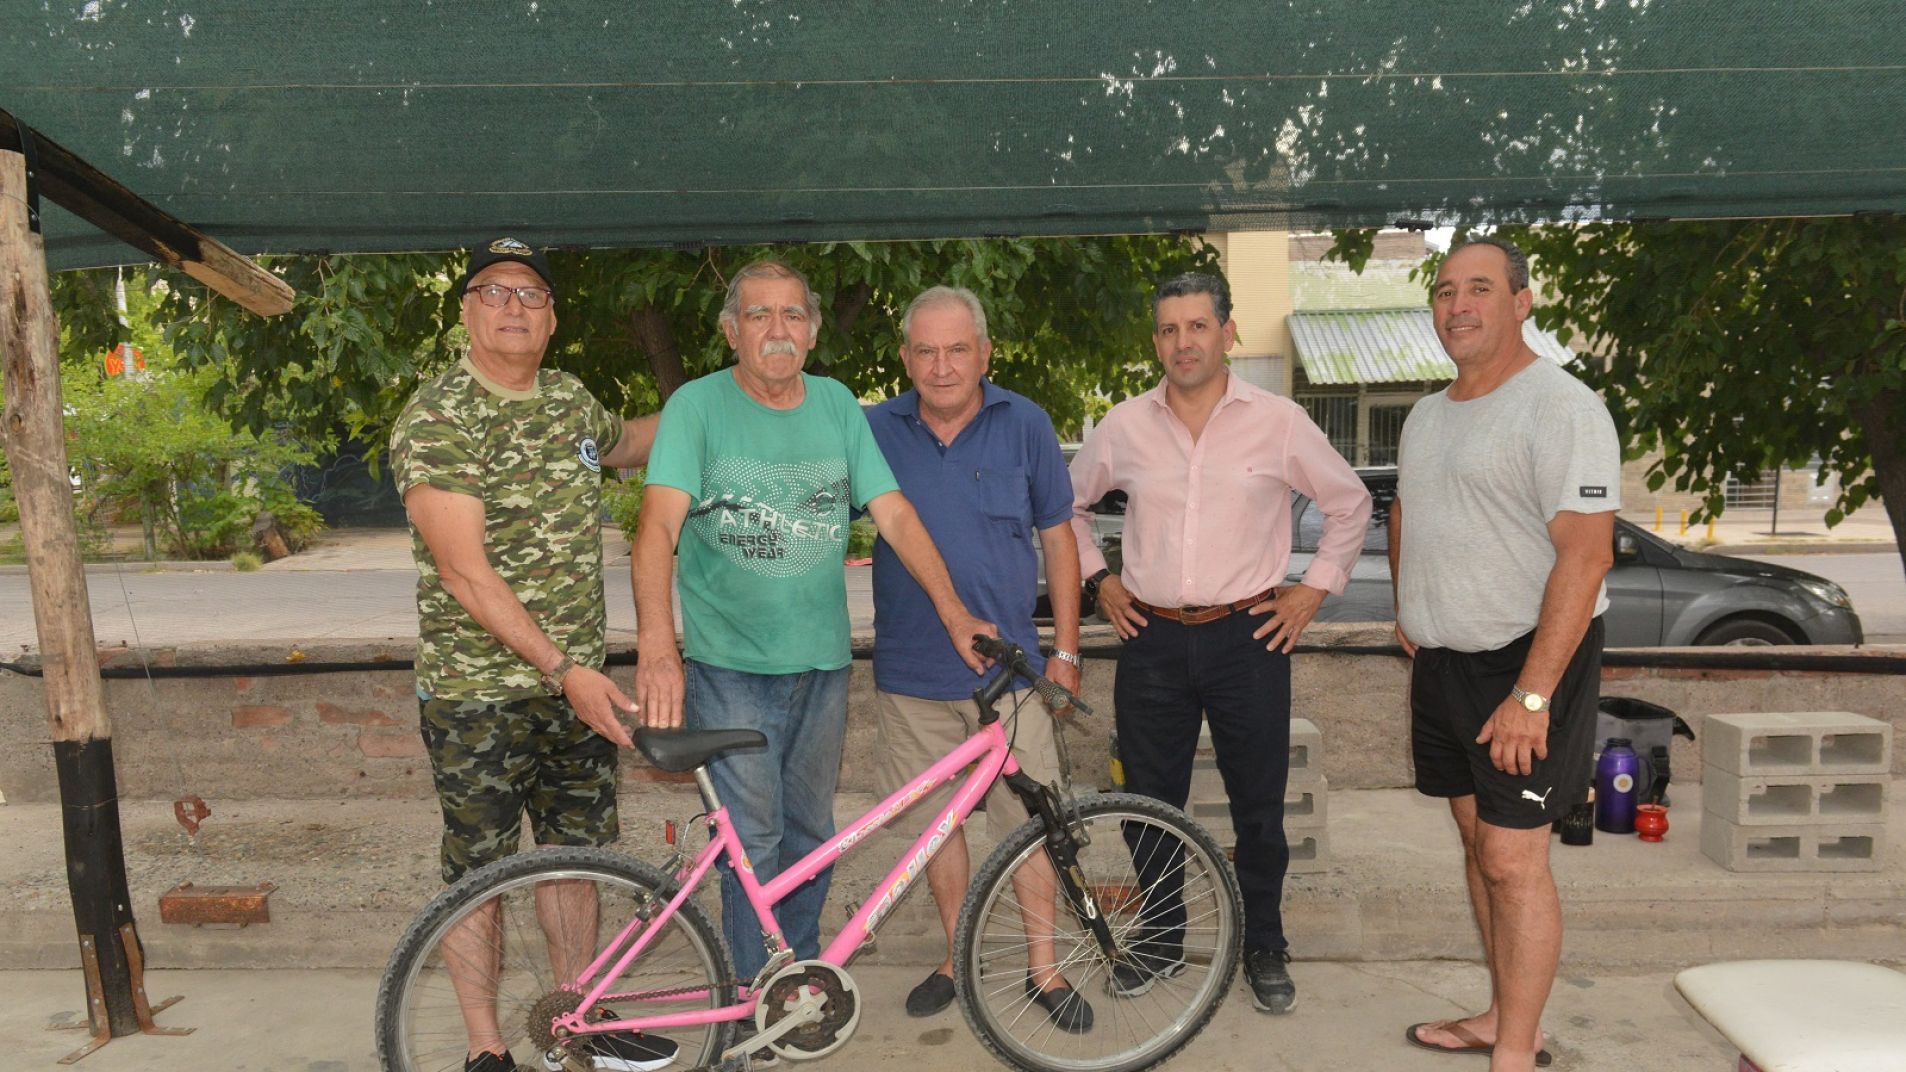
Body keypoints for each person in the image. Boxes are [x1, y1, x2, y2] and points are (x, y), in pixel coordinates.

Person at [630, 260, 994, 993]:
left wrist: (955, 613)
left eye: (792, 315)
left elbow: (893, 514)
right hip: (729, 668)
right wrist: (658, 648)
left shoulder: (835, 406)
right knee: (753, 841)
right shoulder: (696, 409)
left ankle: (789, 985)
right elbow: (655, 528)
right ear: (732, 330)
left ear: (814, 330)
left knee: (810, 838)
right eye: (758, 315)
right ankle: (755, 995)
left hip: (822, 668)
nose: (776, 330)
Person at [391, 237, 673, 1072]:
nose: (515, 306)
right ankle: (486, 1049)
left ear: (552, 319)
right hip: (481, 694)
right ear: (468, 309)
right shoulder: (437, 416)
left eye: (532, 294)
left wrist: (730, 401)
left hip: (573, 692)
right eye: (495, 290)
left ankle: (579, 1019)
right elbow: (463, 572)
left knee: (573, 859)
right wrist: (565, 670)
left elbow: (629, 442)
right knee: (480, 874)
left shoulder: (569, 399)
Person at [1068, 272, 1370, 1015]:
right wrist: (1098, 581)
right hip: (1152, 640)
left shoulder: (1279, 421)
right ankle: (1163, 937)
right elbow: (1061, 506)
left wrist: (1312, 589)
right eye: (1169, 330)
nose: (1183, 343)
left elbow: (1349, 502)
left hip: (1248, 637)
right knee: (1148, 804)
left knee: (1258, 809)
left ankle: (1264, 943)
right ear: (1156, 342)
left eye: (1197, 326)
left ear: (1227, 332)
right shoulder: (1124, 426)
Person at [1393, 236, 1619, 1072]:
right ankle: (1498, 1015)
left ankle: (1515, 1055)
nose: (1458, 305)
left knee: (1514, 859)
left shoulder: (1560, 408)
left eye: (1479, 288)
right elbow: (1412, 507)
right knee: (1476, 844)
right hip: (1444, 662)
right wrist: (1413, 609)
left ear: (1522, 301)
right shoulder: (1426, 413)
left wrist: (1531, 695)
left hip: (1528, 665)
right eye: (1445, 290)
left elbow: (1587, 556)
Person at [864, 286, 1091, 1030]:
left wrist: (1064, 650)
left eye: (957, 348)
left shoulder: (1025, 423)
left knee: (1028, 824)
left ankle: (1043, 968)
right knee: (940, 829)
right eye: (924, 350)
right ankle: (957, 953)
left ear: (985, 353)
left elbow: (1060, 540)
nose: (941, 365)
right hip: (911, 674)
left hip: (1013, 674)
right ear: (905, 358)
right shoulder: (872, 431)